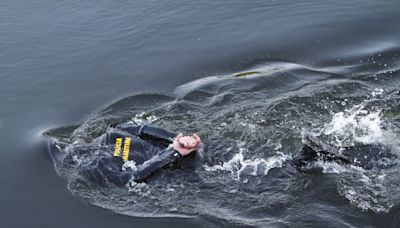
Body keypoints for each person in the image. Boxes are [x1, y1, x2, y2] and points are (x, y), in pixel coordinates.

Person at [47, 123, 202, 187]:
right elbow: (129, 179)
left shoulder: (95, 168)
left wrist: (177, 141)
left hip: (189, 157)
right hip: (189, 175)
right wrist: (174, 149)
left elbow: (141, 129)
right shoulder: (110, 137)